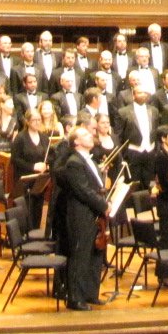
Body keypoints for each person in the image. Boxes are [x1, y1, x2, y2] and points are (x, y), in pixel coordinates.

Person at [55, 125, 111, 310]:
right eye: (86, 134)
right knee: (80, 254)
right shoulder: (74, 162)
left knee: (95, 254)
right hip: (81, 214)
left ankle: (90, 293)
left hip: (93, 214)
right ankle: (76, 298)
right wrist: (103, 205)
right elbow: (83, 191)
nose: (91, 135)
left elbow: (95, 186)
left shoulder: (89, 160)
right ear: (76, 142)